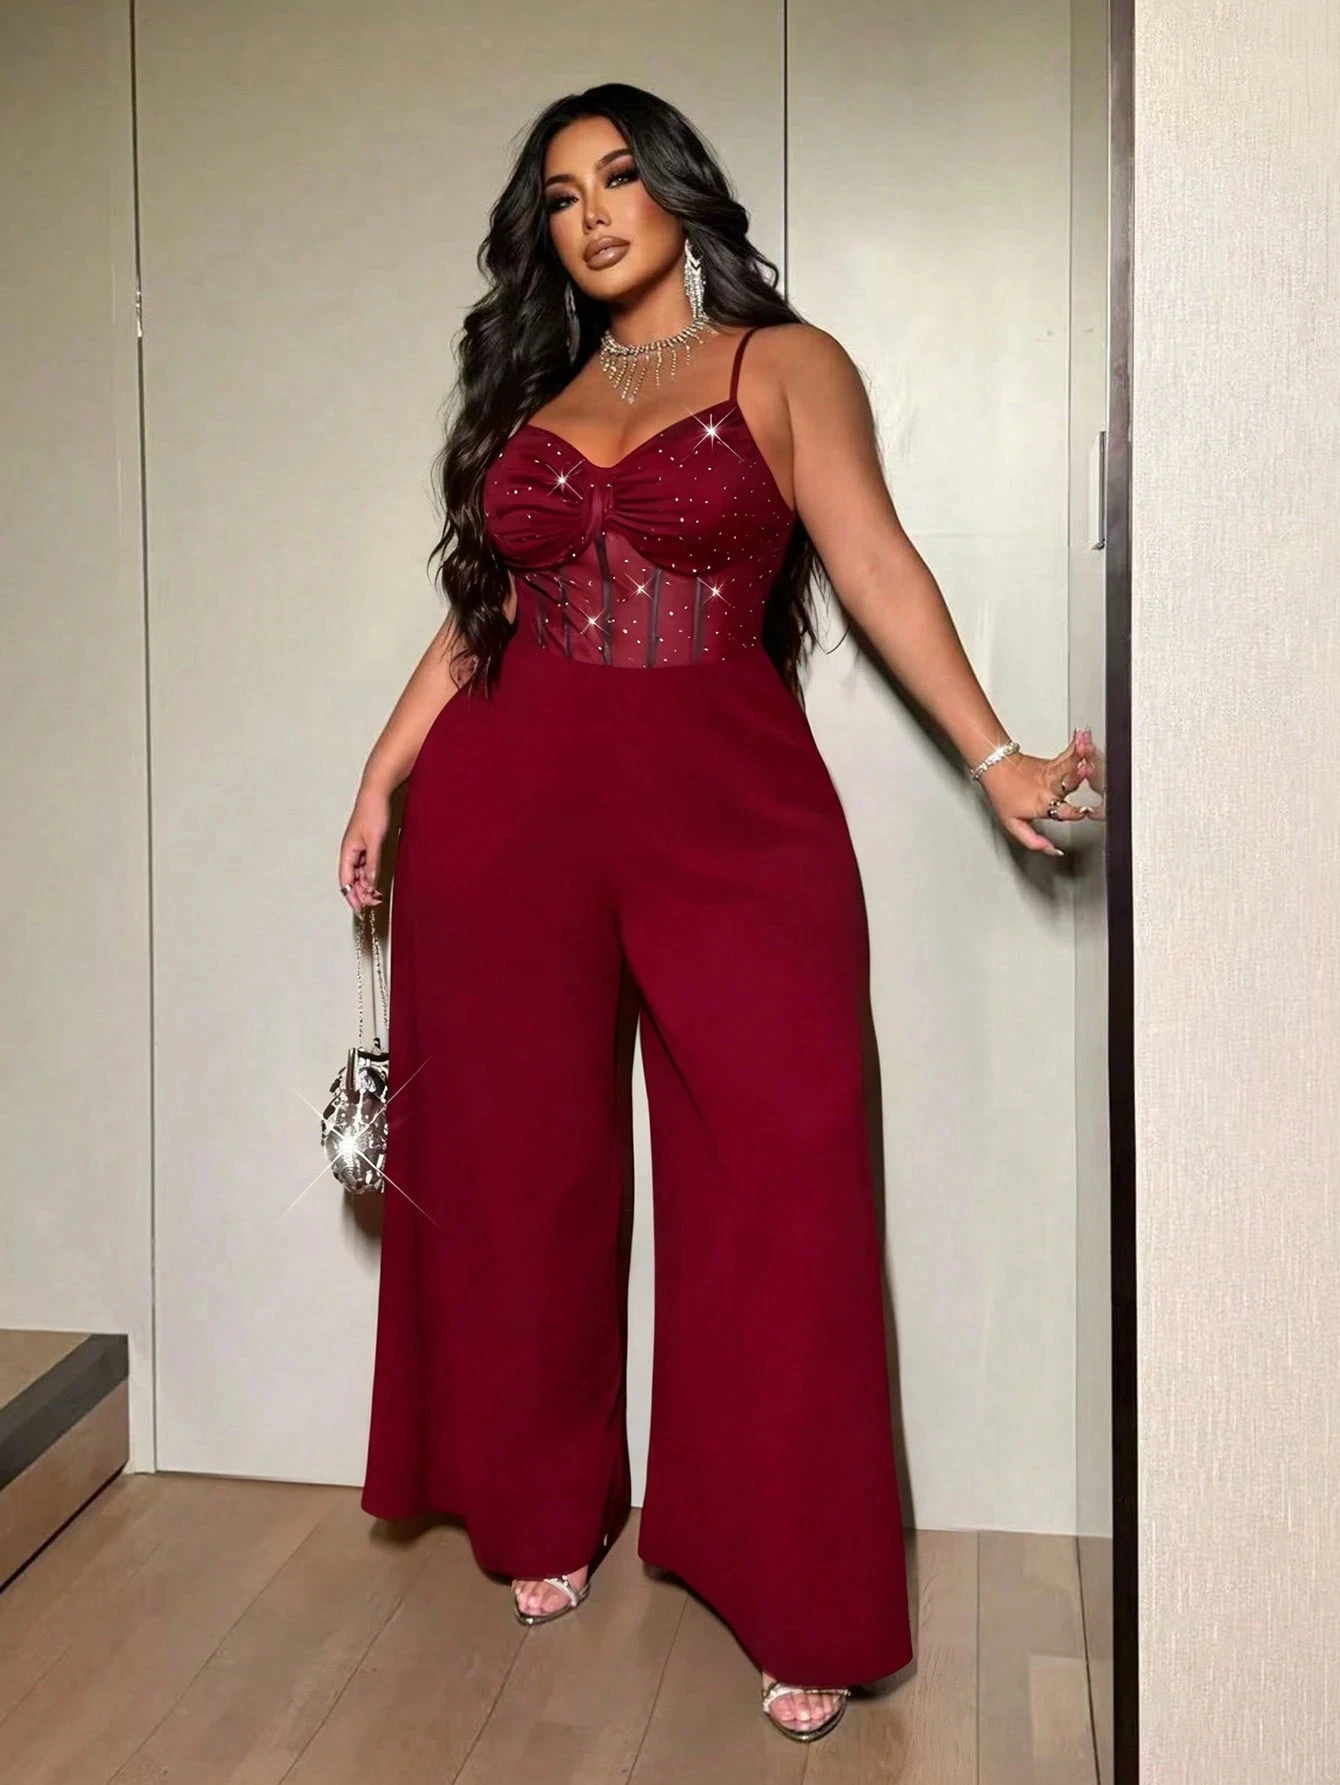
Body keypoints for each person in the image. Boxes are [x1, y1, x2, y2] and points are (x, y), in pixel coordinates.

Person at [339, 81, 1095, 1744]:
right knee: (520, 1167)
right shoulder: (534, 397)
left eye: (619, 177)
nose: (594, 213)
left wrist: (995, 757)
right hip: (511, 817)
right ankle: (541, 1503)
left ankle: (791, 1573)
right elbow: (481, 614)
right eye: (561, 196)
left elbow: (874, 562)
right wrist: (386, 775)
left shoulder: (785, 365)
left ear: (679, 191)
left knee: (783, 1176)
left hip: (734, 827)